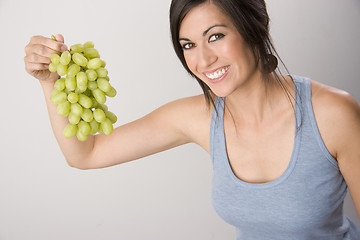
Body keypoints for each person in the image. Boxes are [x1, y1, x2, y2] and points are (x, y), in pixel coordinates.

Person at [24, 0, 360, 239]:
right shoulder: (199, 117)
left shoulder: (332, 114)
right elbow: (86, 154)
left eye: (216, 36)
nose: (202, 59)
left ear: (255, 28)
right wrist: (48, 81)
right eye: (188, 45)